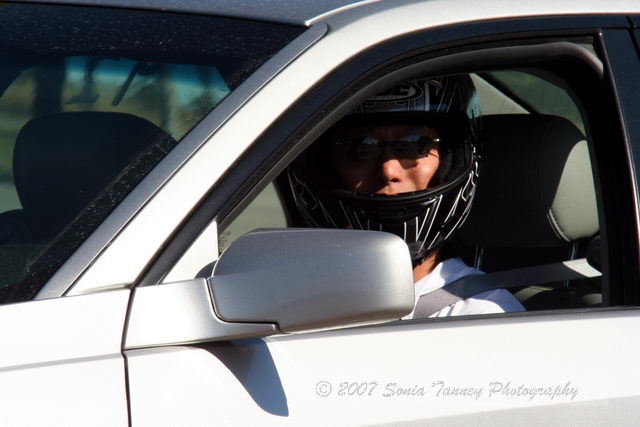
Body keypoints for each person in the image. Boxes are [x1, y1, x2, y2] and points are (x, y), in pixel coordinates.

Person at [287, 75, 524, 318]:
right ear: (326, 165)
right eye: (361, 147)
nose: (388, 171)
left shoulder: (481, 315)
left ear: (450, 160)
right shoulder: (286, 297)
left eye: (414, 145)